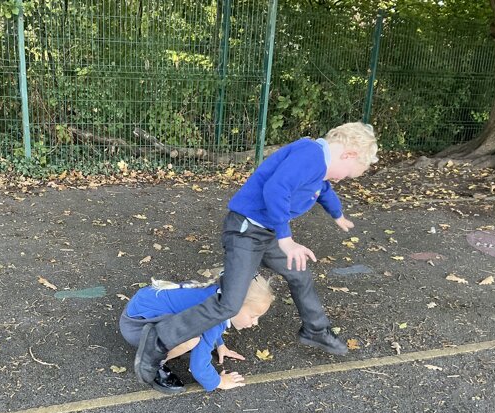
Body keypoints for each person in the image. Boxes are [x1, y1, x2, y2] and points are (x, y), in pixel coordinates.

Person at [134, 122, 378, 386]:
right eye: (348, 174)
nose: (341, 179)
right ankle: (159, 339)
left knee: (298, 272)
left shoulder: (318, 167)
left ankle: (315, 330)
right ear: (348, 155)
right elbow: (276, 189)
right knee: (229, 304)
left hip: (264, 232)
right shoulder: (311, 155)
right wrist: (286, 239)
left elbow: (322, 190)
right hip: (245, 232)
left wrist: (337, 213)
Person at [120, 273, 275, 394]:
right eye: (253, 316)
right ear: (236, 304)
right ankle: (152, 363)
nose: (255, 322)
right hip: (137, 327)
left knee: (192, 331)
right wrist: (220, 382)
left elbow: (208, 320)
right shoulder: (214, 320)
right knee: (192, 340)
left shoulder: (218, 295)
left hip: (139, 310)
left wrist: (219, 344)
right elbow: (199, 368)